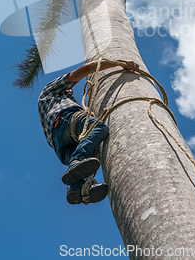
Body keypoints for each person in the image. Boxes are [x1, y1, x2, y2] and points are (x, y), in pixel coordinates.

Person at [38, 58, 140, 205]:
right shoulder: (51, 90)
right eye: (69, 89)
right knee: (99, 128)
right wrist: (120, 63)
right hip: (65, 121)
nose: (71, 89)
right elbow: (84, 70)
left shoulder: (45, 109)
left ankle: (78, 188)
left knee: (90, 152)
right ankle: (76, 161)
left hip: (62, 148)